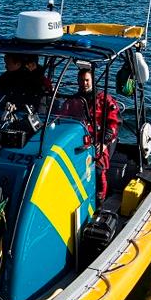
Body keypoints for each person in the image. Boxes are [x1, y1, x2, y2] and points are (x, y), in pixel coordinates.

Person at [60, 67, 119, 202]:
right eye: (81, 80)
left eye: (87, 80)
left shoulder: (104, 100)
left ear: (92, 80)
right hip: (77, 139)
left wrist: (104, 143)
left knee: (99, 170)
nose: (84, 83)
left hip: (98, 141)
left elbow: (114, 123)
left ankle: (100, 199)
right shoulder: (72, 101)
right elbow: (62, 118)